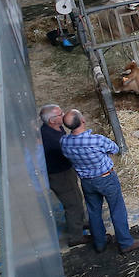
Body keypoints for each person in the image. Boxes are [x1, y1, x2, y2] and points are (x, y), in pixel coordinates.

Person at [58, 109, 139, 254]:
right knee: (117, 210)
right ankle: (125, 243)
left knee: (93, 212)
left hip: (86, 181)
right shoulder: (96, 140)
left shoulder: (64, 142)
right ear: (83, 121)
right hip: (106, 178)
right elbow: (115, 149)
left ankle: (100, 243)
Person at [39, 104, 89, 246]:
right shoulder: (51, 139)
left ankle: (79, 223)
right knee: (73, 205)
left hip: (66, 171)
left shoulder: (57, 128)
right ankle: (76, 237)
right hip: (59, 175)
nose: (63, 114)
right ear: (52, 120)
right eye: (60, 114)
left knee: (77, 198)